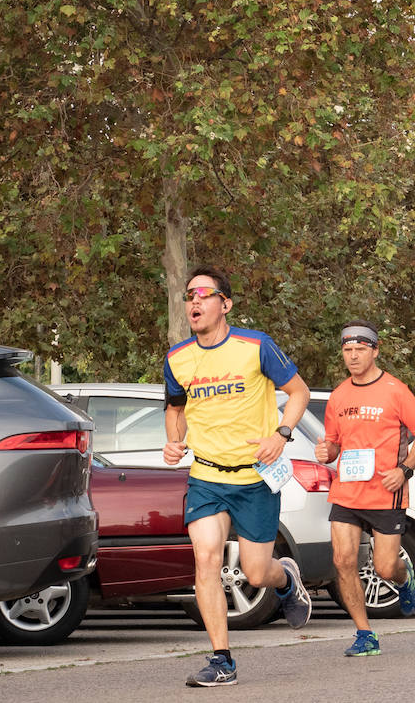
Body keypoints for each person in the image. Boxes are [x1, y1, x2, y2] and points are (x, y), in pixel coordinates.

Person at [162, 266, 313, 687]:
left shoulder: (256, 346)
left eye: (204, 294)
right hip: (206, 476)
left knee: (256, 572)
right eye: (189, 295)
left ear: (224, 304)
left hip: (255, 479)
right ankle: (221, 661)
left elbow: (298, 392)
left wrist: (281, 434)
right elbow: (175, 409)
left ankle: (286, 579)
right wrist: (174, 442)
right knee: (207, 559)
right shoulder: (177, 358)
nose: (194, 301)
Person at [316, 320, 415, 657]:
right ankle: (364, 633)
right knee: (343, 560)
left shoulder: (396, 390)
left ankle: (403, 576)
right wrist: (327, 451)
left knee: (383, 567)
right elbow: (334, 445)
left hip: (386, 490)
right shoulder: (338, 396)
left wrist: (405, 470)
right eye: (347, 350)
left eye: (360, 350)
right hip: (347, 491)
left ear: (375, 350)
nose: (352, 357)